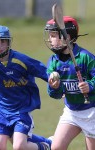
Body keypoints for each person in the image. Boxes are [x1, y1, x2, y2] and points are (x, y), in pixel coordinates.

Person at [44, 16, 95, 150]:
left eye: (53, 35)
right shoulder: (53, 61)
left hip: (92, 112)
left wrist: (90, 86)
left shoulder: (86, 57)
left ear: (67, 37)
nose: (50, 39)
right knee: (56, 147)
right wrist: (54, 88)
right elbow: (55, 94)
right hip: (71, 112)